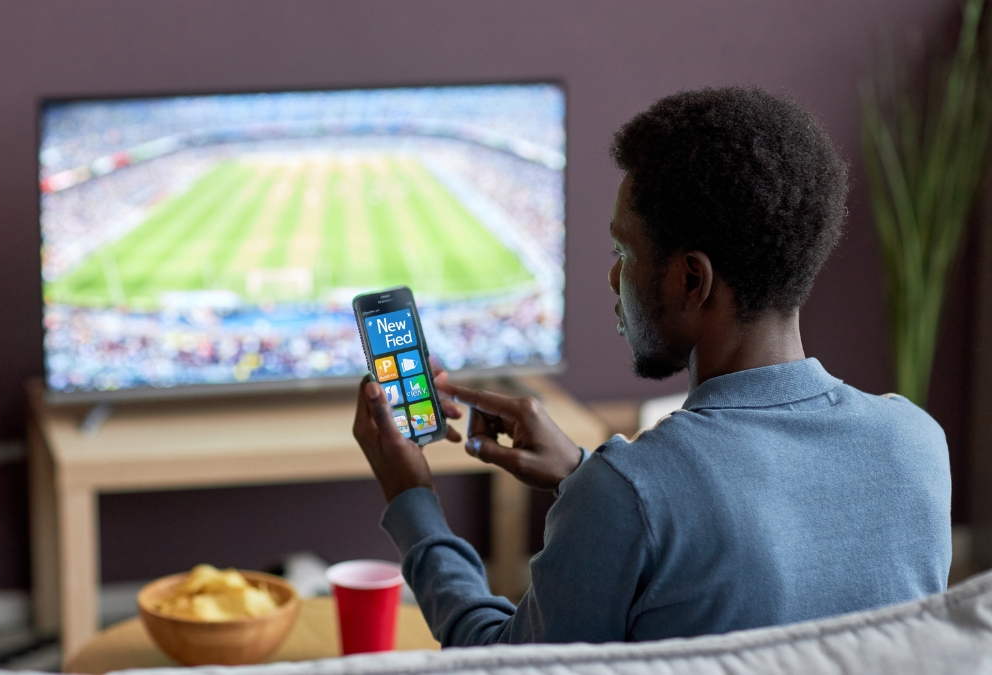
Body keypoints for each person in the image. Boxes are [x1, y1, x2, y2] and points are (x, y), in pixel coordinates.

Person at [351, 86, 951, 646]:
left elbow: (503, 663)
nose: (613, 277)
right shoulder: (918, 444)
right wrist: (581, 476)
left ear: (693, 279)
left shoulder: (627, 496)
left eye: (624, 252)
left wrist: (413, 501)